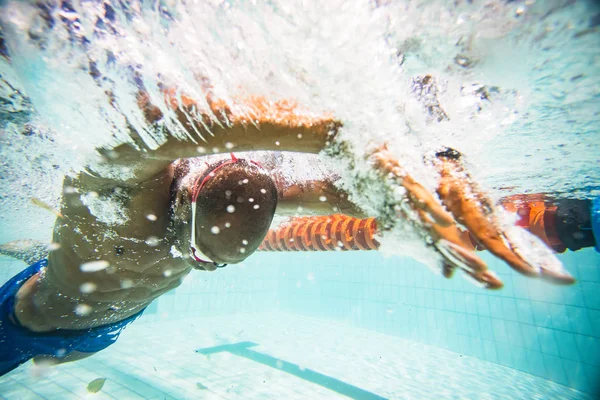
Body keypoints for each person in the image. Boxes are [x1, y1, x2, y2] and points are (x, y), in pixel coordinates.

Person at [0, 87, 575, 376]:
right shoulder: (114, 193)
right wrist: (344, 134)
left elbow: (359, 189)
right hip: (34, 318)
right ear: (190, 201)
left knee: (71, 352)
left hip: (110, 323)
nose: (201, 264)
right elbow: (156, 122)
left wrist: (425, 165)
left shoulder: (256, 194)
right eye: (205, 257)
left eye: (216, 264)